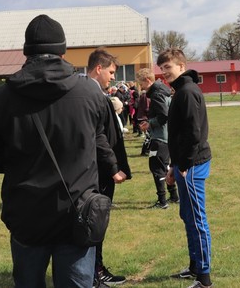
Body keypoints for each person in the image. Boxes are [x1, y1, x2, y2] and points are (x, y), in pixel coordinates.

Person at [0, 14, 112, 288]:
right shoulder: (90, 93)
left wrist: (22, 161)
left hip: (27, 212)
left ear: (27, 51)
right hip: (77, 210)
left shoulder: (1, 98)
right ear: (62, 51)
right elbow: (101, 145)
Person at [157, 48, 213, 288]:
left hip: (193, 165)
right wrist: (174, 165)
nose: (164, 72)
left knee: (197, 219)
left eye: (168, 67)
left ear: (181, 66)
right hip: (183, 165)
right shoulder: (180, 90)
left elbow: (194, 133)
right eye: (162, 68)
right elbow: (179, 135)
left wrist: (185, 164)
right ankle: (194, 267)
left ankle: (204, 279)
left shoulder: (188, 92)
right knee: (187, 216)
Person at [87, 48, 131, 287]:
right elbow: (99, 136)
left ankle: (96, 269)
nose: (113, 77)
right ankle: (94, 273)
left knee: (98, 223)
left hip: (101, 168)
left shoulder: (96, 94)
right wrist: (113, 167)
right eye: (111, 72)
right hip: (99, 171)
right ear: (98, 68)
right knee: (95, 223)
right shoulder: (92, 96)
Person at [136, 68, 179, 209]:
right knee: (165, 167)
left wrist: (150, 124)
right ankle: (174, 196)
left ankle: (162, 201)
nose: (140, 87)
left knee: (156, 168)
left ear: (148, 80)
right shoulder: (163, 90)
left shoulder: (156, 94)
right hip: (166, 136)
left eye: (141, 83)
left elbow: (163, 116)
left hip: (160, 138)